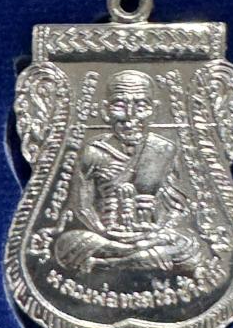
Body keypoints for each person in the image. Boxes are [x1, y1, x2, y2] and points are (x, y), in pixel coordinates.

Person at [54, 70, 206, 274]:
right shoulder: (93, 151)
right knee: (66, 245)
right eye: (119, 105)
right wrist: (104, 231)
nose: (130, 116)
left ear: (154, 110)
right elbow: (81, 206)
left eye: (141, 106)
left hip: (150, 235)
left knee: (189, 246)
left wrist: (158, 230)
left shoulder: (163, 149)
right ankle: (133, 255)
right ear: (105, 111)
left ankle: (106, 264)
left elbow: (176, 206)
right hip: (106, 236)